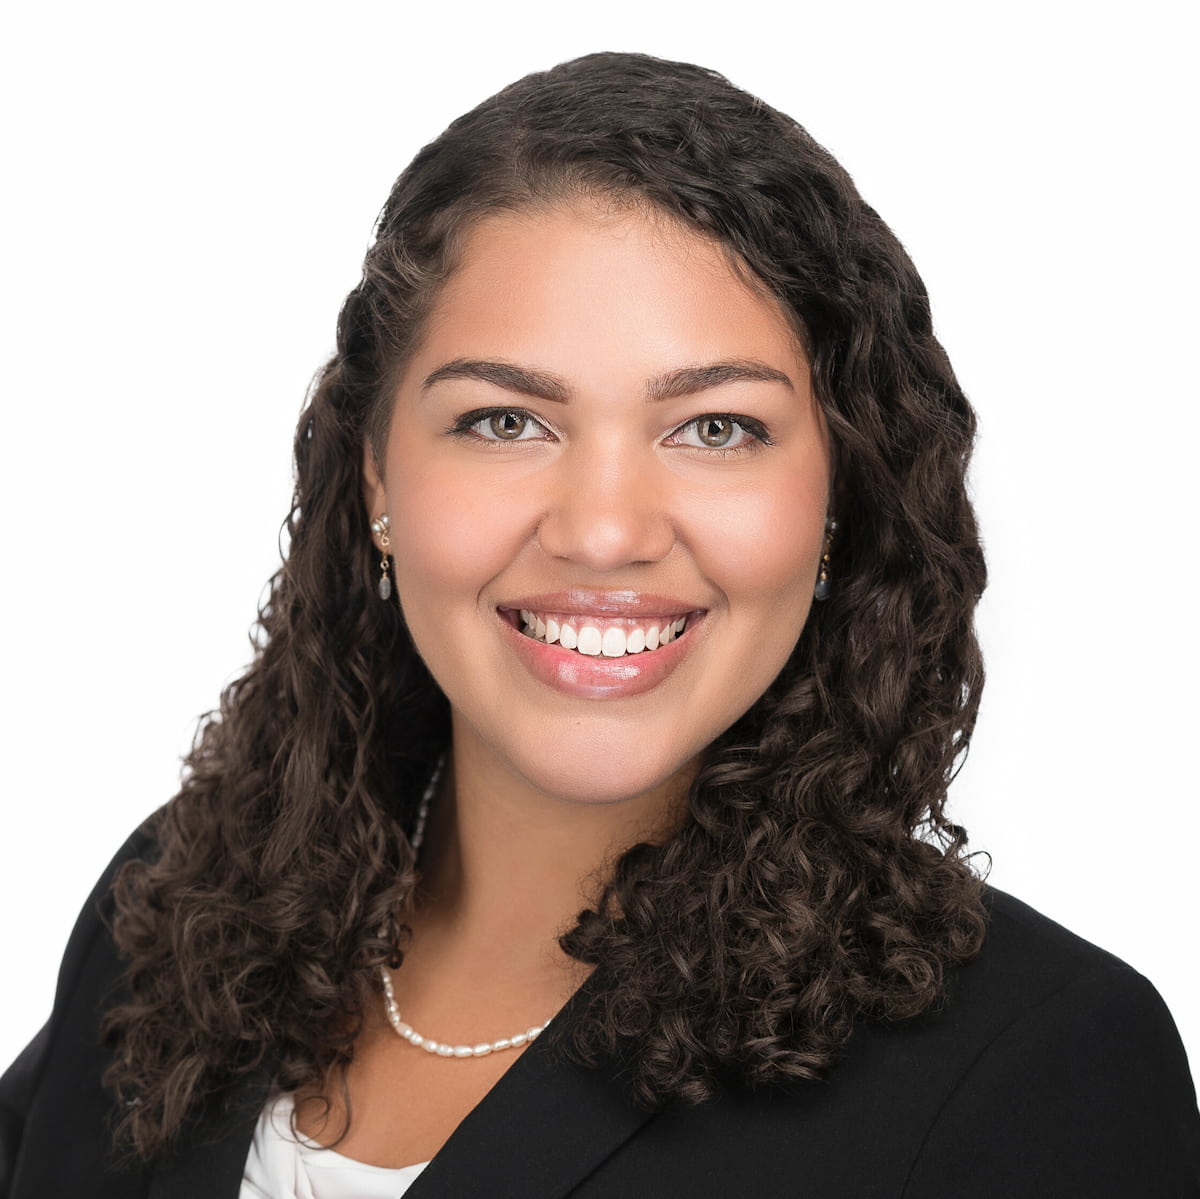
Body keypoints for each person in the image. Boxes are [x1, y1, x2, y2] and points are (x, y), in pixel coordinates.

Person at [2, 50, 1197, 1199]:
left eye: (716, 427)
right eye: (505, 422)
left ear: (841, 493)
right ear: (376, 474)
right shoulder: (183, 895)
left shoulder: (1040, 1067)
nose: (606, 531)